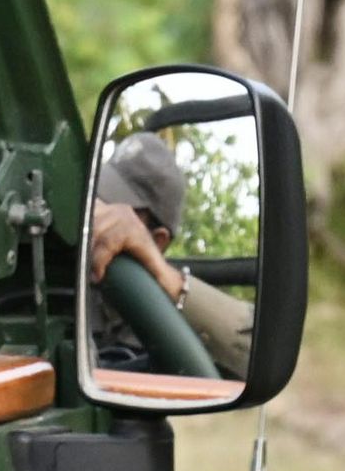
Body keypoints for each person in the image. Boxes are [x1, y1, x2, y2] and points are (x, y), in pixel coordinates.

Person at [86, 133, 253, 379]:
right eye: (96, 196)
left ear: (157, 240)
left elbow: (264, 351)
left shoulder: (169, 321)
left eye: (115, 206)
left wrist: (167, 279)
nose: (97, 209)